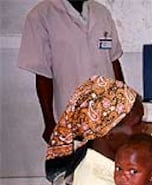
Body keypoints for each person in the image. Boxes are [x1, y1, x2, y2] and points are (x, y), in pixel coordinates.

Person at [18, 0, 124, 143]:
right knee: (77, 161)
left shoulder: (101, 12)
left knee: (107, 161)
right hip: (71, 113)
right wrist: (49, 122)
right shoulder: (41, 16)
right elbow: (43, 74)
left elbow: (113, 61)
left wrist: (124, 107)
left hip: (107, 112)